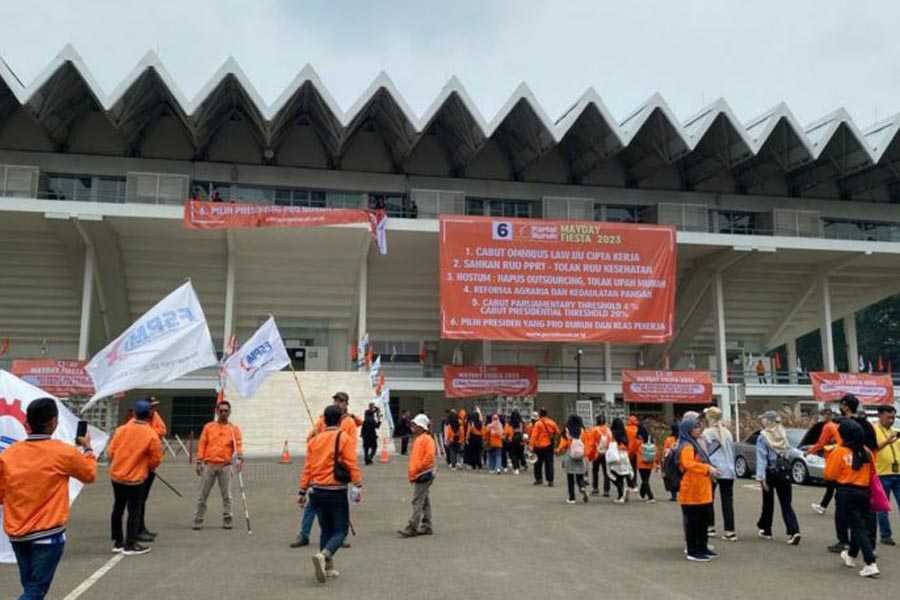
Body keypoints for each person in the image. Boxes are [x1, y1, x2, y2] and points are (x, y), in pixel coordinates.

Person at [0, 398, 96, 600]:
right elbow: (89, 475)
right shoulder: (64, 452)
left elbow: (1, 495)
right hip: (47, 533)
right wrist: (87, 449)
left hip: (17, 532)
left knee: (30, 585)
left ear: (28, 422)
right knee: (36, 591)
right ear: (53, 423)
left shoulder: (9, 454)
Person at [299, 405, 363, 583]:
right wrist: (357, 483)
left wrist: (302, 490)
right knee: (340, 530)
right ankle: (323, 555)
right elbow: (351, 463)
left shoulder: (314, 440)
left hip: (316, 490)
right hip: (336, 490)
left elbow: (307, 468)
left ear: (324, 420)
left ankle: (328, 568)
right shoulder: (343, 437)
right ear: (341, 419)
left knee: (325, 529)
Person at [292, 392, 359, 548]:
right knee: (314, 506)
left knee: (331, 508)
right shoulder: (322, 420)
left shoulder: (349, 422)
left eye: (341, 401)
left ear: (346, 404)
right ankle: (305, 534)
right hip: (321, 467)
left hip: (338, 470)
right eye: (335, 400)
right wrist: (320, 437)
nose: (338, 403)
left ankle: (336, 538)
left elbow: (351, 447)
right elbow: (310, 439)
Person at [107, 399, 163, 554]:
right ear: (149, 414)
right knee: (134, 510)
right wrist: (147, 466)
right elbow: (155, 459)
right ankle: (130, 543)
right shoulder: (151, 434)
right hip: (135, 478)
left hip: (117, 475)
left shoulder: (121, 430)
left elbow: (110, 452)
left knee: (118, 508)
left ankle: (118, 541)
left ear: (134, 413)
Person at [825, 420, 880, 578]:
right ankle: (850, 555)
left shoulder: (840, 451)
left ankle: (870, 563)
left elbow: (830, 474)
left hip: (846, 492)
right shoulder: (866, 451)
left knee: (857, 528)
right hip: (865, 492)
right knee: (861, 525)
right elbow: (873, 472)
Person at [192, 401, 244, 531]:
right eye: (221, 410)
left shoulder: (233, 429)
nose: (223, 413)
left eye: (226, 411)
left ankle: (228, 520)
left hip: (225, 466)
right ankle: (198, 520)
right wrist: (199, 461)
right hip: (209, 465)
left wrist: (240, 458)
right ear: (216, 412)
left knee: (227, 496)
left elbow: (238, 445)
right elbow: (202, 444)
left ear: (229, 412)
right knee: (202, 495)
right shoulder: (209, 427)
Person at [676, 414, 719, 561]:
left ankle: (702, 547)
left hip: (700, 489)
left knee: (702, 521)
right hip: (692, 490)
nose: (698, 429)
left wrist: (709, 469)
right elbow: (688, 464)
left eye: (698, 426)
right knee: (694, 522)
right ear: (688, 429)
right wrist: (707, 468)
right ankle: (693, 551)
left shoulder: (693, 443)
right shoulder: (687, 446)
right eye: (695, 426)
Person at [755, 411, 801, 545]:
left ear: (768, 421)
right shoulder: (782, 433)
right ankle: (794, 530)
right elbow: (789, 451)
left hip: (770, 472)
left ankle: (766, 529)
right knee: (786, 503)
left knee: (768, 502)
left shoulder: (763, 436)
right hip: (784, 471)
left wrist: (761, 478)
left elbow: (761, 459)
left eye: (764, 419)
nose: (762, 421)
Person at [398, 414, 437, 537]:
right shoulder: (423, 438)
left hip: (422, 473)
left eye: (415, 425)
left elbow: (429, 457)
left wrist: (417, 469)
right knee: (424, 499)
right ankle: (426, 525)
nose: (413, 427)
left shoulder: (425, 439)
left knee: (417, 500)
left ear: (421, 426)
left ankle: (412, 526)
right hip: (422, 473)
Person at [703, 407, 736, 541]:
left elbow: (705, 452)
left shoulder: (708, 433)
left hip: (714, 469)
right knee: (727, 501)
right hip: (728, 470)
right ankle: (730, 531)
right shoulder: (727, 432)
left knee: (709, 498)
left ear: (709, 418)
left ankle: (710, 526)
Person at [138, 397, 166, 542]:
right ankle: (136, 531)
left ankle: (141, 528)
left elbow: (162, 430)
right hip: (139, 467)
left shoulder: (155, 416)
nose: (154, 410)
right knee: (138, 501)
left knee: (143, 500)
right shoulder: (136, 423)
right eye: (151, 407)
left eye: (155, 407)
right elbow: (153, 434)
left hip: (150, 466)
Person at [873, 405, 900, 546]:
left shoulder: (896, 432)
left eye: (893, 417)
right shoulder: (873, 430)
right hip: (882, 474)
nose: (891, 420)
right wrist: (887, 441)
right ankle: (885, 535)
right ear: (880, 415)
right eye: (888, 417)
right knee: (883, 507)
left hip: (898, 474)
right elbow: (872, 449)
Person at [808, 408, 841, 516]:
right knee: (835, 484)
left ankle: (825, 507)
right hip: (841, 454)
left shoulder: (827, 426)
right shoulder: (837, 426)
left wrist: (809, 451)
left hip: (832, 456)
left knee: (832, 483)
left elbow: (821, 443)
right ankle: (823, 506)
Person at [557, 414, 589, 504]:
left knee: (570, 477)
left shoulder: (567, 431)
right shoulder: (583, 431)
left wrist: (559, 449)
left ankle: (572, 498)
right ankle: (582, 487)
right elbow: (587, 443)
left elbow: (563, 444)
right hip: (580, 455)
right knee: (580, 475)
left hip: (570, 455)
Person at [530, 408, 559, 487]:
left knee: (537, 463)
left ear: (540, 414)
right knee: (549, 463)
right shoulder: (552, 422)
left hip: (538, 446)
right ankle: (550, 481)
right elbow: (557, 432)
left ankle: (539, 479)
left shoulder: (538, 423)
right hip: (549, 446)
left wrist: (531, 446)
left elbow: (534, 435)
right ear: (546, 414)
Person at [608, 417, 631, 503]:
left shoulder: (612, 433)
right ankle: (628, 487)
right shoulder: (624, 432)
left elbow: (610, 444)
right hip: (624, 455)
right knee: (625, 473)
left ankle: (621, 495)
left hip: (616, 456)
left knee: (614, 475)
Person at [589, 414, 612, 497]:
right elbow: (611, 441)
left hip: (597, 453)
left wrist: (590, 455)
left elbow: (591, 443)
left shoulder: (594, 430)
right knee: (606, 472)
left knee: (595, 471)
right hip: (606, 453)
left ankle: (595, 488)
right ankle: (606, 490)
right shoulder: (608, 430)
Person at [636, 421, 657, 503]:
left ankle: (651, 497)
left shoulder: (638, 441)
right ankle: (642, 494)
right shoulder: (650, 440)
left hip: (642, 463)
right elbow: (656, 451)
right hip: (650, 462)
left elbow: (633, 449)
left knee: (644, 480)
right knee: (646, 479)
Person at [663, 421, 680, 501]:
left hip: (671, 461)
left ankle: (674, 496)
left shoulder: (669, 439)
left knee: (671, 477)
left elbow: (665, 451)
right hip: (680, 459)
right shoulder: (681, 438)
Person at [625, 415, 640, 491]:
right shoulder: (638, 429)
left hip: (627, 452)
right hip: (636, 452)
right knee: (634, 469)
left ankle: (629, 484)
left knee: (628, 469)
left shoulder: (626, 429)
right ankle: (635, 484)